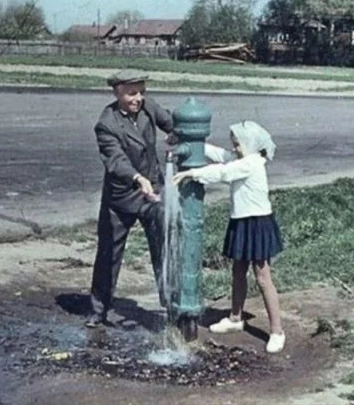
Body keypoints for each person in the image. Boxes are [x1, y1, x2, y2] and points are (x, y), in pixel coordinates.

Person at [172, 120, 286, 353]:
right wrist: (191, 142)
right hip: (241, 221)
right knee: (238, 271)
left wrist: (192, 173)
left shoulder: (251, 163)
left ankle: (277, 331)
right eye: (233, 144)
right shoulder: (242, 158)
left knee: (263, 277)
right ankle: (235, 318)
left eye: (237, 144)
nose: (233, 148)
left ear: (251, 144)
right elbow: (219, 155)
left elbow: (224, 172)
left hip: (257, 222)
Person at [86, 69, 174, 328]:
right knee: (108, 253)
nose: (138, 98)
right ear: (117, 93)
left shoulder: (148, 107)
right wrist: (137, 178)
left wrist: (176, 134)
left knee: (163, 246)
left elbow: (171, 123)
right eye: (131, 93)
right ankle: (98, 310)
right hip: (121, 197)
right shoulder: (107, 123)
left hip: (152, 192)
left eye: (141, 92)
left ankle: (171, 304)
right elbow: (116, 160)